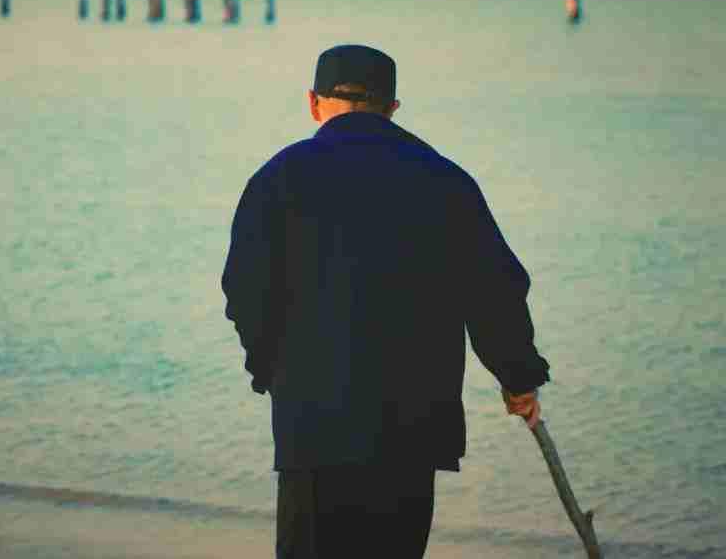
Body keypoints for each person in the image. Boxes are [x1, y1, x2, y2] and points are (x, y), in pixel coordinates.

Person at [221, 44, 550, 559]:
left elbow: (244, 289)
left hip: (313, 425)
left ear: (313, 103)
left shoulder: (278, 178)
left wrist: (270, 370)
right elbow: (494, 291)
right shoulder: (446, 180)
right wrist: (518, 376)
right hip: (411, 431)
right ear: (392, 107)